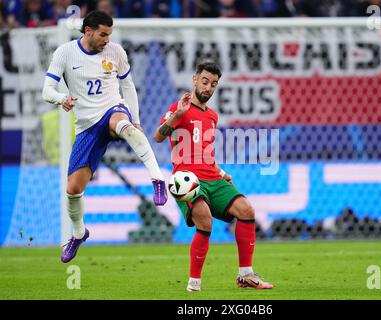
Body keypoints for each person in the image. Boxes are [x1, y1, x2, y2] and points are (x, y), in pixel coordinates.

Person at [42, 10, 167, 263]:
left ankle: (157, 179)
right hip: (87, 125)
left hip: (112, 109)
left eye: (110, 34)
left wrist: (136, 119)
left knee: (126, 126)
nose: (107, 39)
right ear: (88, 31)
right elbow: (47, 89)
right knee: (73, 190)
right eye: (103, 34)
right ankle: (78, 233)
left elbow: (128, 86)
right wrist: (61, 98)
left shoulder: (116, 52)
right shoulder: (65, 53)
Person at [154, 61, 273, 291]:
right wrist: (176, 115)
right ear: (195, 80)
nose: (208, 88)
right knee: (205, 221)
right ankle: (194, 284)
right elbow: (158, 136)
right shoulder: (180, 107)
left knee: (246, 210)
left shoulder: (212, 116)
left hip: (212, 176)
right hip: (188, 180)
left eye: (214, 84)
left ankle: (246, 275)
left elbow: (205, 151)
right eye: (205, 81)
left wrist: (222, 173)